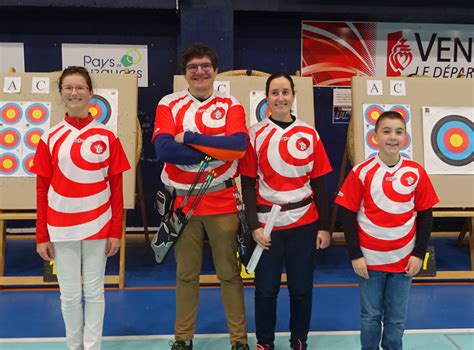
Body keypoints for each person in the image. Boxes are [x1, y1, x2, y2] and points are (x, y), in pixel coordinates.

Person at [152, 43, 249, 350]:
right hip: (181, 203)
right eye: (193, 67)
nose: (199, 72)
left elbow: (237, 148)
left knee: (230, 274)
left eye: (205, 65)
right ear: (185, 73)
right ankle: (183, 339)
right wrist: (213, 148)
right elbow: (164, 150)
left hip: (221, 202)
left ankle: (239, 340)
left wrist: (191, 140)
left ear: (215, 70)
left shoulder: (231, 104)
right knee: (185, 275)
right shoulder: (169, 103)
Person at [33, 66, 131, 350]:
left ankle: (92, 347)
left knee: (95, 293)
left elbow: (116, 189)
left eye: (80, 87)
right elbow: (42, 190)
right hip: (60, 228)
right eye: (68, 88)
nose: (74, 93)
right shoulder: (49, 138)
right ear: (61, 93)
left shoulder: (107, 137)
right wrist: (42, 235)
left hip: (99, 227)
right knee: (70, 296)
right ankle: (74, 347)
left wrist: (115, 231)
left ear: (91, 93)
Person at [239, 72, 332, 350]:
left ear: (293, 96)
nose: (280, 98)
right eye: (275, 92)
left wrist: (325, 226)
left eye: (285, 92)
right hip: (267, 226)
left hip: (305, 224)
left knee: (301, 290)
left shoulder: (309, 133)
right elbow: (247, 184)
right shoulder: (254, 135)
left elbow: (319, 183)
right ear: (266, 98)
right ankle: (265, 342)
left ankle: (299, 340)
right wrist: (253, 225)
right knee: (266, 290)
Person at [335, 111, 439, 350]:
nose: (393, 137)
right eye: (386, 131)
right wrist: (355, 256)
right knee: (370, 318)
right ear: (375, 136)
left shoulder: (416, 172)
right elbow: (347, 215)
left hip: (404, 262)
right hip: (369, 263)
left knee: (396, 320)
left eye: (399, 132)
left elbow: (425, 216)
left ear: (405, 137)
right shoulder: (361, 171)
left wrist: (417, 255)